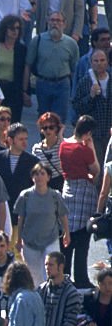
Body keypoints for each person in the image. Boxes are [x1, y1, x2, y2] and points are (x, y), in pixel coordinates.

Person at [58, 116, 98, 290]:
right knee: (82, 239)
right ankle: (81, 277)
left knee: (67, 236)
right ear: (88, 133)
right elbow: (95, 170)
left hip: (68, 190)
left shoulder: (63, 145)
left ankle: (64, 275)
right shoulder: (85, 150)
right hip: (83, 191)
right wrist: (91, 147)